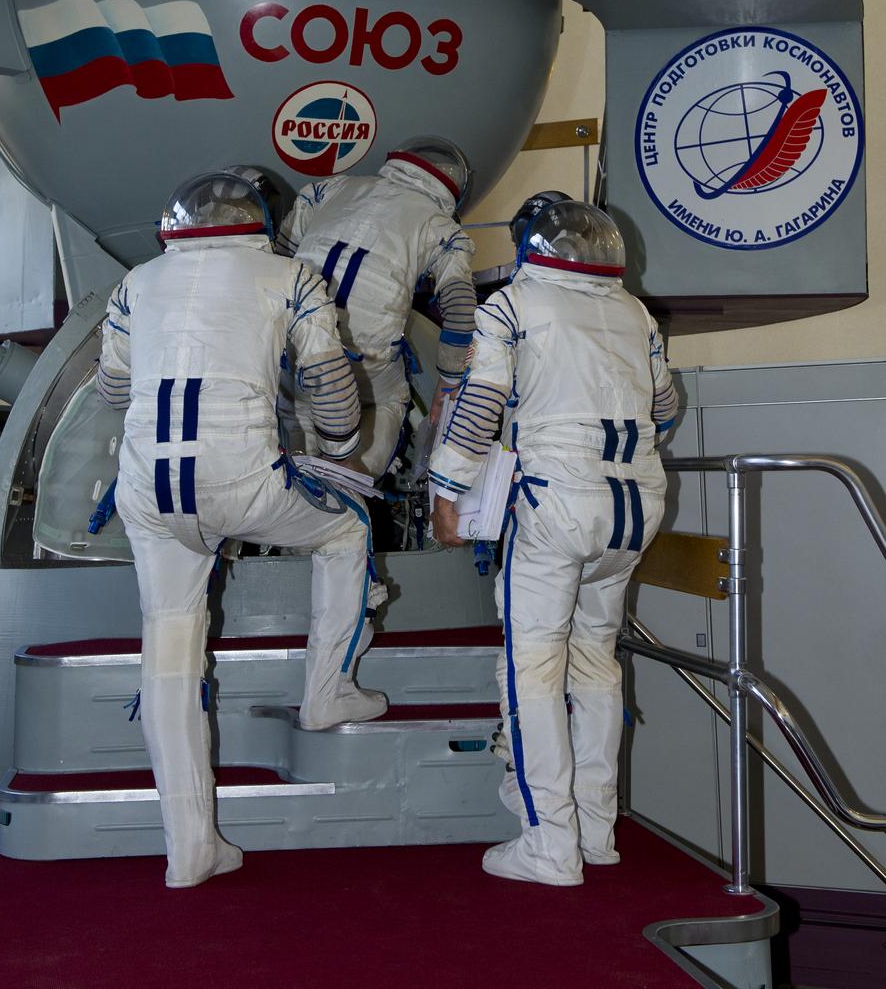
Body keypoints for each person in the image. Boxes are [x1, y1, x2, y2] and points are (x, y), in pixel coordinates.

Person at [96, 169, 386, 889]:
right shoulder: (291, 275)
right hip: (241, 479)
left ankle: (189, 846)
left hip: (149, 486)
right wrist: (342, 453)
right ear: (257, 220)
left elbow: (110, 387)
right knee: (347, 529)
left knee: (169, 649)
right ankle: (328, 689)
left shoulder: (138, 281)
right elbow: (329, 385)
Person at [430, 197, 678, 886]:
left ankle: (549, 845)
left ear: (528, 246)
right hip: (633, 506)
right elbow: (666, 408)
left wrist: (449, 492)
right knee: (596, 661)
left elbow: (479, 407)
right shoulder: (634, 313)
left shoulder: (511, 305)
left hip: (555, 503)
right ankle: (597, 833)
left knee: (532, 668)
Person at [274, 136, 477, 479]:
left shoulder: (331, 188)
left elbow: (277, 263)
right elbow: (459, 310)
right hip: (365, 366)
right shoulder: (441, 226)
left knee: (297, 438)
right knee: (390, 400)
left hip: (292, 351)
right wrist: (448, 386)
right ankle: (353, 482)